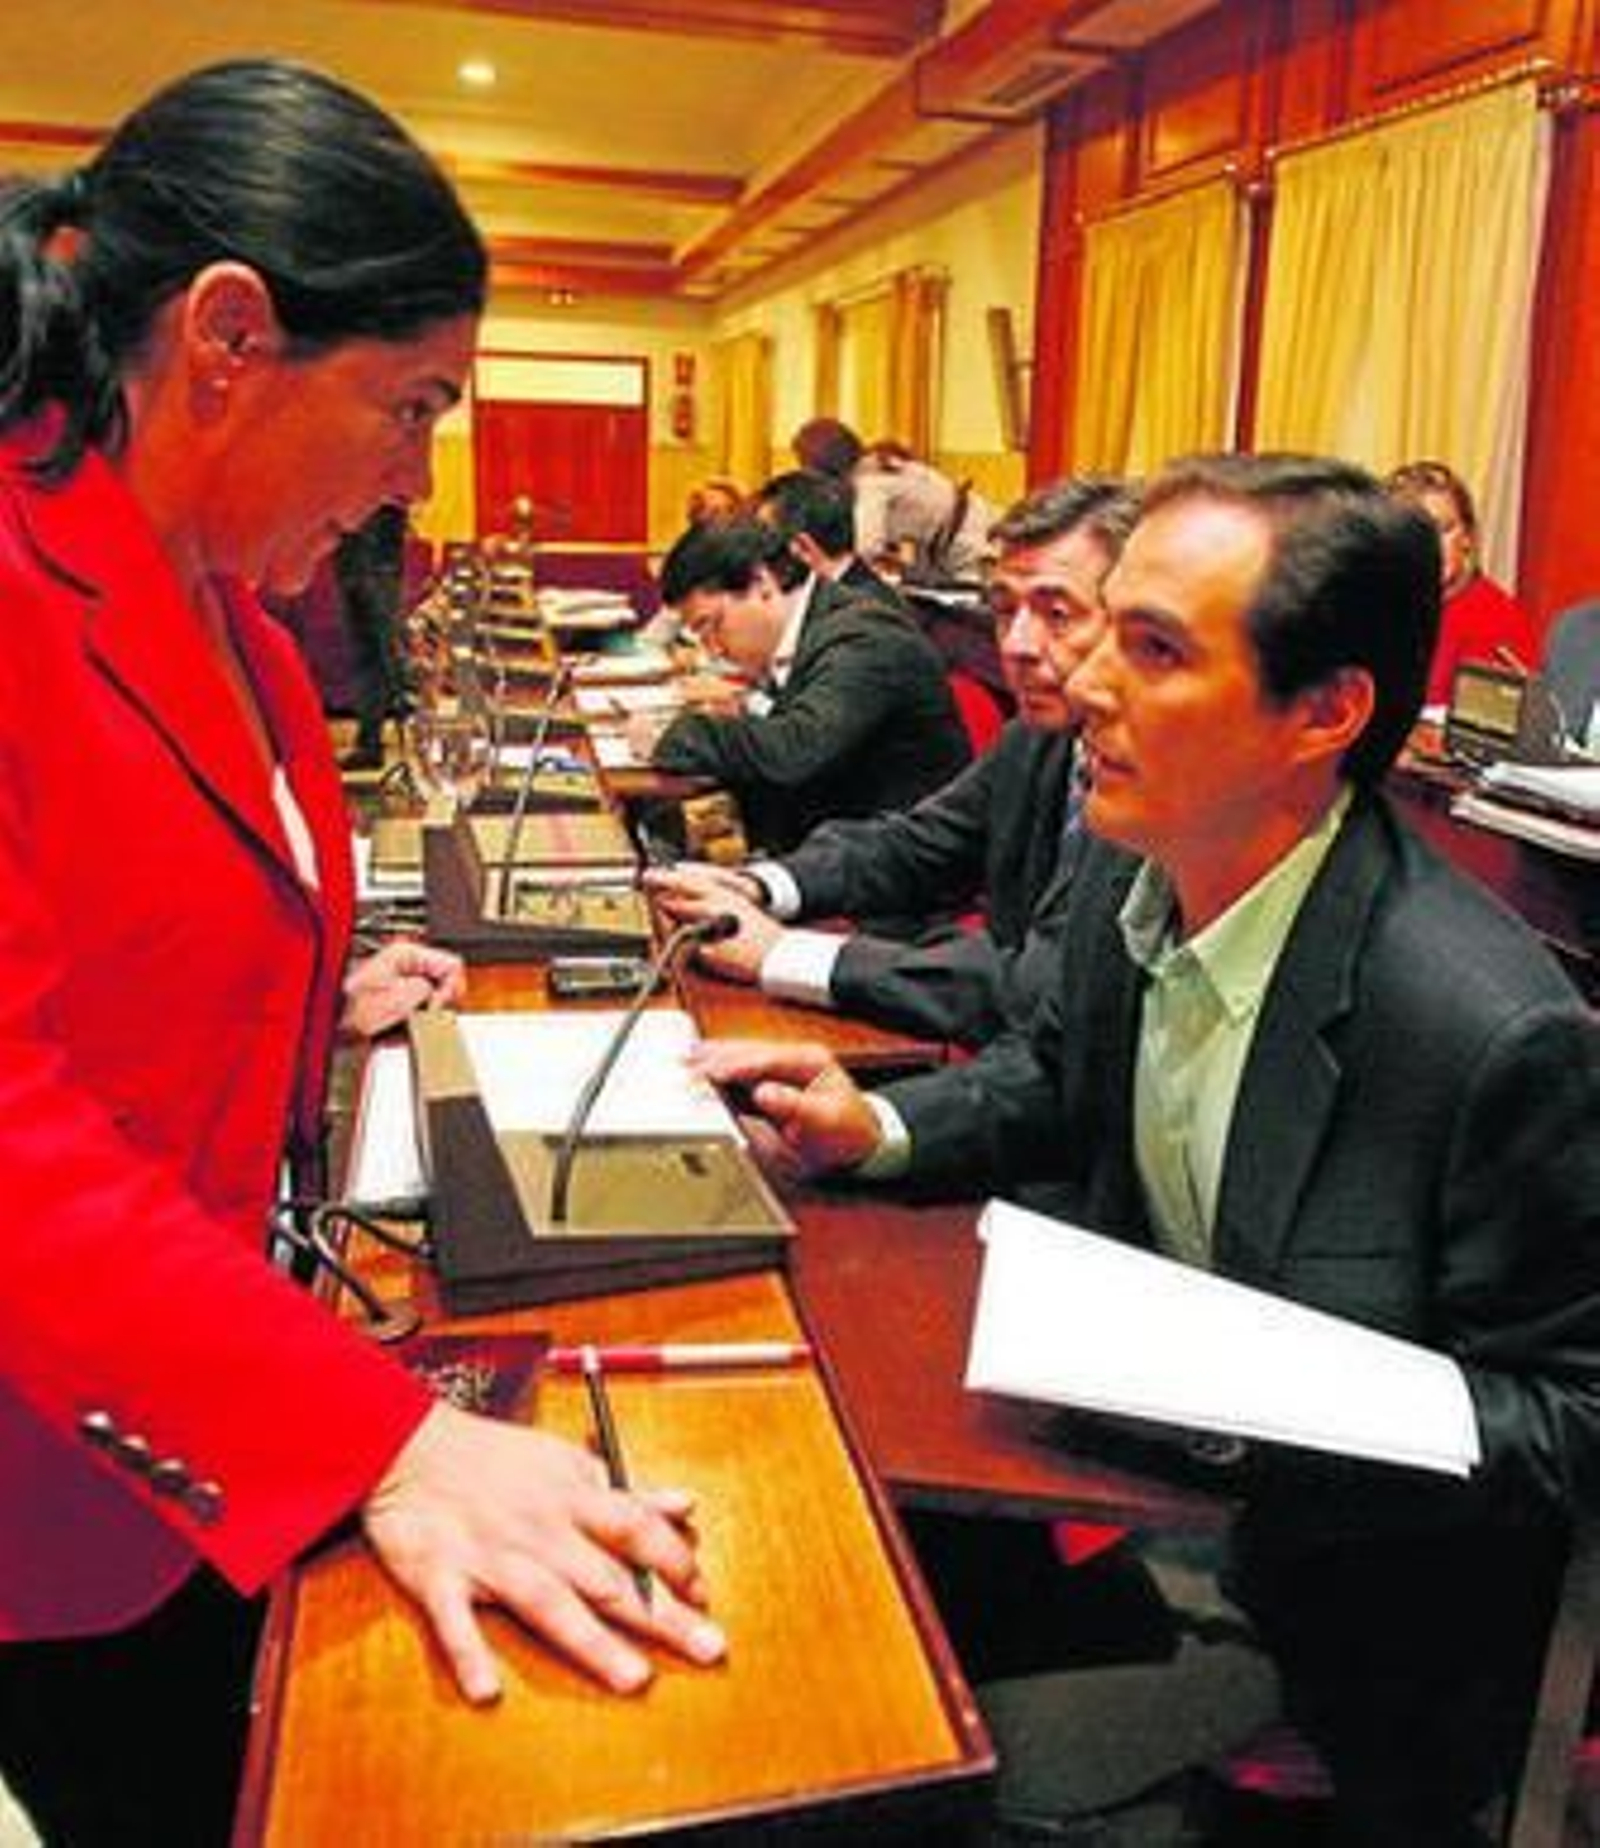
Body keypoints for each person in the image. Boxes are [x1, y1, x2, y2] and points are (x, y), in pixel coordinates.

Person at [0, 59, 723, 1847]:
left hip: (215, 1389)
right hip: (69, 1459)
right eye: (409, 405)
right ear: (229, 335)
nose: (421, 469)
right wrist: (379, 1437)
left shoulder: (232, 602)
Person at [695, 453, 1600, 1842]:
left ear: (1327, 711)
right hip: (1118, 1470)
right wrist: (872, 1123)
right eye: (1104, 625)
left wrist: (1275, 1391)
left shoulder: (1486, 1032)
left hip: (1337, 1624)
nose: (1088, 684)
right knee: (773, 1618)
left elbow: (1569, 1428)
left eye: (1157, 647)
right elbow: (1058, 1073)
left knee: (878, 1776)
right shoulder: (1140, 856)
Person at [646, 479, 1139, 1049]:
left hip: (995, 1019)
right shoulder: (1038, 736)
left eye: (1057, 613)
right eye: (1003, 611)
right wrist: (757, 884)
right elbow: (916, 843)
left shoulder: (1162, 784)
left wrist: (785, 953)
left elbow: (1038, 992)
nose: (1017, 645)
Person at [632, 516, 971, 858]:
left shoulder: (862, 638)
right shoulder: (814, 627)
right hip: (831, 834)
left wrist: (674, 734)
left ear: (761, 582)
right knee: (651, 829)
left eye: (712, 625)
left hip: (892, 867)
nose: (713, 648)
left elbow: (794, 751)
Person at [1385, 458, 1538, 706]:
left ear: (1467, 537)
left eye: (1443, 529)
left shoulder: (1496, 618)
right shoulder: (1373, 605)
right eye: (1413, 532)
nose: (1429, 546)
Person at [791, 417, 992, 581]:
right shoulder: (877, 460)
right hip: (967, 532)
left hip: (972, 545)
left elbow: (865, 550)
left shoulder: (870, 485)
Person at [334, 502, 411, 769]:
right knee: (365, 657)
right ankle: (369, 743)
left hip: (379, 561)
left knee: (389, 655)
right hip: (351, 560)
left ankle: (413, 747)